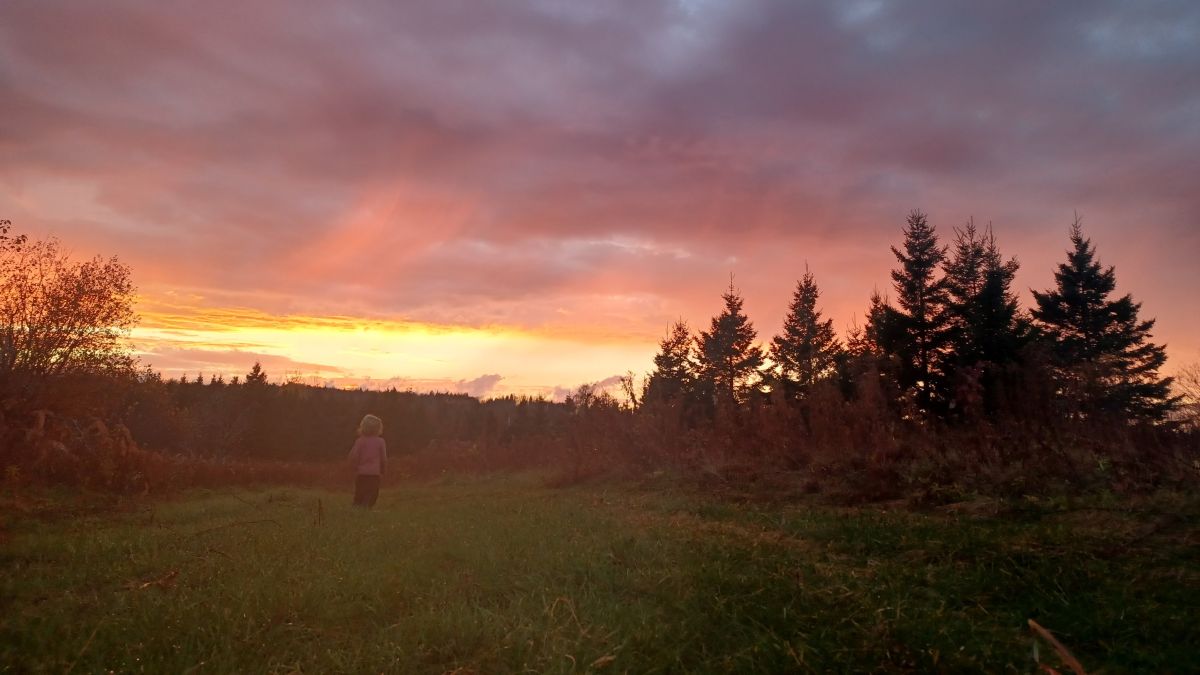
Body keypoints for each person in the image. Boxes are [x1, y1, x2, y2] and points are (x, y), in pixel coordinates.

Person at [347, 414, 386, 508]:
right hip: (374, 474)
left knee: (359, 493)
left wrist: (354, 467)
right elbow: (383, 458)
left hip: (361, 474)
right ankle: (366, 508)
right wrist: (383, 469)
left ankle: (357, 507)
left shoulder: (360, 441)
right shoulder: (380, 442)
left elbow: (354, 456)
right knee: (372, 494)